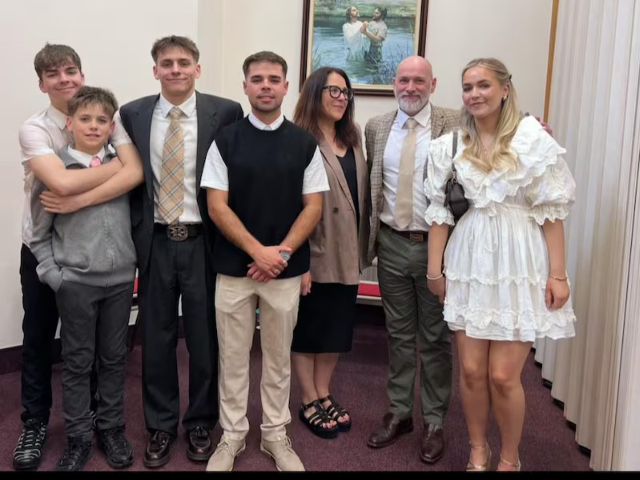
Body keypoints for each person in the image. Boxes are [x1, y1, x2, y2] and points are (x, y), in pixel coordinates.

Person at [424, 58, 576, 471]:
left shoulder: (532, 139)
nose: (474, 94)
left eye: (484, 85)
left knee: (504, 375)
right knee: (472, 371)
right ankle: (478, 449)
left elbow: (551, 212)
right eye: (468, 87)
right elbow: (439, 214)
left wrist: (558, 274)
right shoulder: (450, 146)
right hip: (469, 261)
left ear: (505, 89)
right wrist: (435, 272)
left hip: (518, 263)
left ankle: (510, 458)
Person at [108, 35, 243, 469]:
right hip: (155, 242)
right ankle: (160, 426)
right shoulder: (132, 114)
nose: (176, 70)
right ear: (156, 71)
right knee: (157, 337)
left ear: (197, 69)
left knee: (205, 338)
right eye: (167, 63)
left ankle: (201, 421)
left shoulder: (226, 112)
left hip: (204, 241)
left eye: (184, 62)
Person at [14, 43, 141, 471]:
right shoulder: (37, 131)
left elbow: (136, 173)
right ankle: (55, 430)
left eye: (70, 71)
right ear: (42, 84)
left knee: (112, 357)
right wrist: (56, 276)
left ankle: (110, 427)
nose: (64, 79)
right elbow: (59, 191)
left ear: (81, 75)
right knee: (59, 351)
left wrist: (115, 171)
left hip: (117, 275)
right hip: (66, 270)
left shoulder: (109, 122)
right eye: (53, 74)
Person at [201, 51, 329, 472]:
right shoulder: (225, 140)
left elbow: (313, 207)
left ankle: (275, 434)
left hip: (285, 272)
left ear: (286, 87)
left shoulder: (304, 144)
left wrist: (281, 254)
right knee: (233, 358)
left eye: (274, 79)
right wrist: (259, 253)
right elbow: (217, 206)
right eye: (257, 79)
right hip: (234, 270)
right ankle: (232, 435)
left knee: (277, 358)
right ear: (245, 86)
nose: (266, 86)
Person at [364, 56, 459, 464]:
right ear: (393, 83)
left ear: (432, 85)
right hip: (391, 245)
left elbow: (498, 128)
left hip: (437, 249)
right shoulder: (377, 127)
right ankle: (400, 412)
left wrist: (532, 129)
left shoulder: (455, 124)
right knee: (398, 335)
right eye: (404, 80)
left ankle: (434, 421)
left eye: (419, 81)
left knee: (435, 339)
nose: (411, 88)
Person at [290, 66, 369, 439]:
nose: (341, 98)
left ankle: (324, 392)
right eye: (333, 90)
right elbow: (291, 204)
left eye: (345, 92)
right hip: (315, 252)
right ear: (314, 93)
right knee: (309, 330)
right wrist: (300, 262)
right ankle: (307, 398)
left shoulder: (353, 137)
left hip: (347, 252)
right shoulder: (299, 139)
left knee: (336, 329)